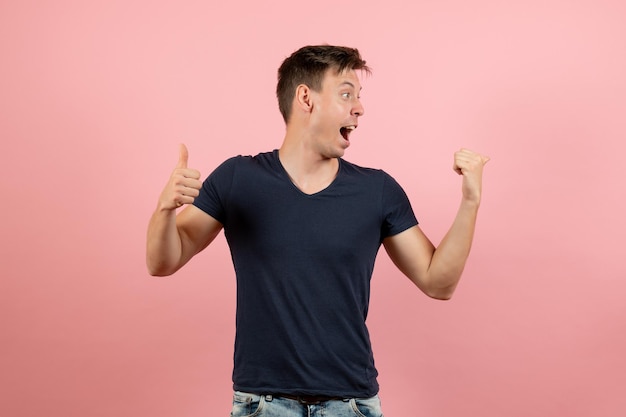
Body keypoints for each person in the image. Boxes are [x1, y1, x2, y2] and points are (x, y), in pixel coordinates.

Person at [146, 45, 489, 417]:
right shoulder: (237, 179)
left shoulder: (377, 191)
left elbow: (439, 282)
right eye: (346, 94)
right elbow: (163, 261)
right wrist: (165, 210)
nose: (359, 108)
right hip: (262, 404)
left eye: (359, 97)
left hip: (352, 405)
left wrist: (470, 202)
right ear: (305, 98)